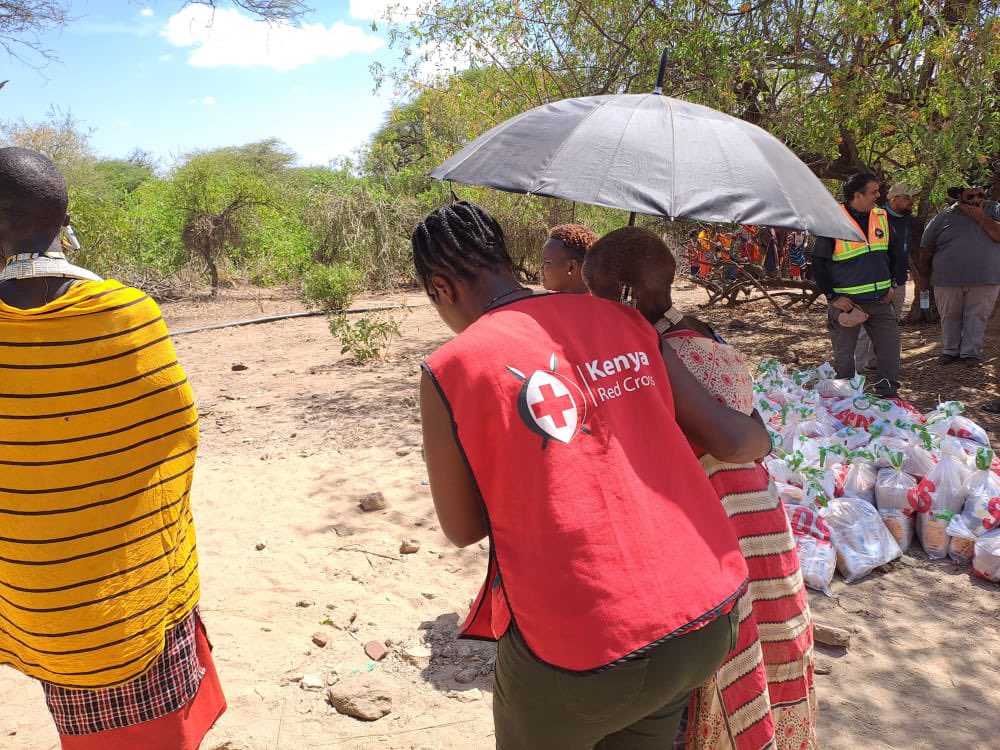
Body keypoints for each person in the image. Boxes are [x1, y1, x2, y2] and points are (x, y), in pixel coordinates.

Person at [414, 201, 772, 749]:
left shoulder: (452, 366)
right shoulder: (623, 319)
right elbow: (731, 437)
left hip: (582, 647)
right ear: (508, 261)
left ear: (440, 287)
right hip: (705, 614)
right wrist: (762, 430)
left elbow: (462, 527)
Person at [0, 147, 225, 749]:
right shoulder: (129, 315)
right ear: (64, 222)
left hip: (31, 598)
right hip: (131, 596)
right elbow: (175, 442)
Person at [584, 227, 818, 750]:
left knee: (724, 656)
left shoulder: (659, 355)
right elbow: (752, 433)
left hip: (720, 527)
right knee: (769, 635)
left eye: (595, 291)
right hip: (760, 515)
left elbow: (731, 438)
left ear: (623, 293)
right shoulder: (705, 333)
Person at [811, 172, 900, 397]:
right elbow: (818, 264)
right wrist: (833, 297)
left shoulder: (881, 216)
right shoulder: (833, 221)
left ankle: (888, 394)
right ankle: (845, 397)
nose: (878, 196)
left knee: (890, 349)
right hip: (848, 304)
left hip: (881, 300)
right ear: (857, 195)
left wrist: (892, 284)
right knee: (844, 355)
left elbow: (894, 253)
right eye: (873, 192)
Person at [917, 184, 1000, 367]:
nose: (976, 200)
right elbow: (926, 249)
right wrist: (924, 279)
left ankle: (970, 353)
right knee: (949, 315)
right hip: (947, 279)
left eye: (980, 195)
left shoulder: (994, 210)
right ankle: (950, 351)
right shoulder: (943, 217)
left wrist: (981, 218)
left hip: (985, 278)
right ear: (958, 196)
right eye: (970, 196)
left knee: (977, 316)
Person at [855, 182, 916, 373]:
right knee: (867, 324)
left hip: (899, 280)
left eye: (912, 198)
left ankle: (876, 363)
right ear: (893, 198)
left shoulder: (908, 220)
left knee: (889, 324)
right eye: (907, 197)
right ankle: (855, 369)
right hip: (876, 282)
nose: (911, 201)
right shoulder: (877, 217)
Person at [539, 223, 597, 294]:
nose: (541, 268)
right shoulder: (603, 302)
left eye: (547, 262)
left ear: (571, 267)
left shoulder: (541, 304)